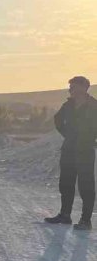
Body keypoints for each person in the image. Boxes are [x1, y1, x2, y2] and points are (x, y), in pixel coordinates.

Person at [46, 76, 97, 231]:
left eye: (72, 87)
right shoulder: (68, 105)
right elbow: (57, 119)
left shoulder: (94, 106)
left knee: (86, 186)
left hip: (85, 151)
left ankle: (85, 220)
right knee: (66, 183)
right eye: (70, 87)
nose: (70, 90)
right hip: (68, 149)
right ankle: (65, 215)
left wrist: (92, 139)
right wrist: (67, 134)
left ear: (83, 88)